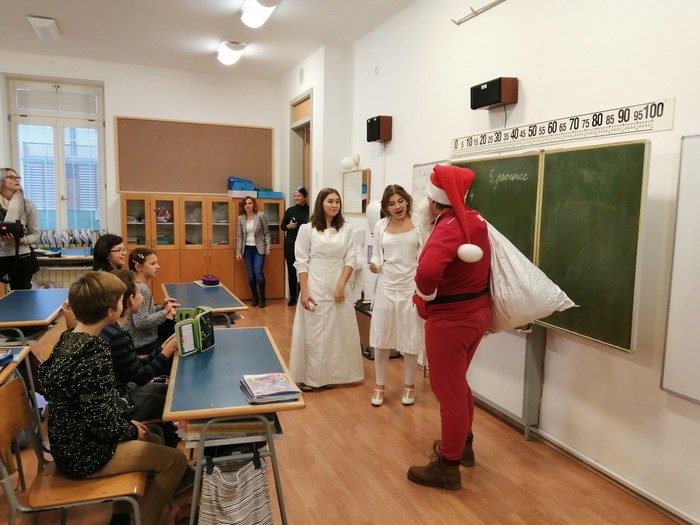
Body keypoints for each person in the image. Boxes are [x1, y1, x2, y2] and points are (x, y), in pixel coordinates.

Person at [38, 271, 188, 525]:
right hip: (85, 455)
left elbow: (97, 409)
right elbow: (100, 422)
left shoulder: (69, 338)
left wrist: (126, 425)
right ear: (111, 310)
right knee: (176, 461)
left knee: (153, 437)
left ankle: (122, 514)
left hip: (69, 444)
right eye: (120, 300)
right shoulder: (94, 355)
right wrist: (128, 430)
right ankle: (143, 520)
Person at [407, 165, 492, 491]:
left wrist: (424, 298)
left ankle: (447, 465)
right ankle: (463, 444)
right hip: (476, 314)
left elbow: (427, 271)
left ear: (432, 202)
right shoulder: (476, 219)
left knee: (448, 392)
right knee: (457, 384)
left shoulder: (447, 227)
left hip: (450, 321)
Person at [288, 187, 364, 391]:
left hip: (338, 284)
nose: (334, 205)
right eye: (330, 201)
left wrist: (341, 285)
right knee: (314, 332)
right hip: (314, 284)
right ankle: (311, 377)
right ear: (321, 203)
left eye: (337, 201)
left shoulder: (346, 229)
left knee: (336, 332)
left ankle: (331, 374)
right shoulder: (308, 229)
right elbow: (301, 262)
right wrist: (304, 291)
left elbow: (350, 259)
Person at [100, 269, 180, 447]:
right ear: (130, 299)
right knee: (176, 402)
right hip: (122, 401)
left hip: (123, 391)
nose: (142, 295)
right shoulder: (118, 336)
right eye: (138, 292)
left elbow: (135, 367)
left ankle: (164, 446)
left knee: (172, 391)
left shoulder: (112, 330)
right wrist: (168, 350)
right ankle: (168, 452)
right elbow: (141, 377)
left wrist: (162, 348)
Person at [368, 184, 426, 407]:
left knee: (411, 336)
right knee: (381, 337)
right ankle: (379, 385)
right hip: (386, 287)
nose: (397, 206)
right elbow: (377, 256)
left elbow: (425, 255)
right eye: (392, 203)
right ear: (386, 207)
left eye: (400, 201)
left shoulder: (419, 223)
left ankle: (409, 385)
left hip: (411, 287)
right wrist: (374, 265)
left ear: (407, 200)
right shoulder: (381, 226)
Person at [126, 247, 179, 355]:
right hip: (143, 344)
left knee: (174, 327)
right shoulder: (142, 289)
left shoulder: (134, 283)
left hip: (138, 340)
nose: (158, 266)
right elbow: (141, 322)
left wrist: (161, 307)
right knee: (179, 337)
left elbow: (142, 312)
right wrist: (164, 312)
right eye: (153, 263)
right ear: (138, 267)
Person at [0, 167, 40, 290]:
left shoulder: (27, 205)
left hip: (21, 256)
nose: (16, 180)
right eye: (11, 177)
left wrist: (21, 240)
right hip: (1, 255)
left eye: (17, 177)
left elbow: (35, 234)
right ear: (1, 181)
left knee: (20, 295)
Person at [235, 196, 271, 307]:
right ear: (243, 206)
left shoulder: (260, 216)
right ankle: (254, 297)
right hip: (247, 249)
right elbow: (239, 236)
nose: (247, 205)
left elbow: (267, 233)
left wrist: (268, 247)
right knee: (251, 275)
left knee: (258, 273)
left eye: (250, 203)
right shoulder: (241, 218)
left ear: (253, 204)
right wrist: (238, 252)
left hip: (259, 248)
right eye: (245, 204)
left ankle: (262, 297)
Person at [280, 187, 309, 306]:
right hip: (290, 244)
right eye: (295, 196)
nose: (296, 198)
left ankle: (302, 296)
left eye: (299, 196)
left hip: (305, 245)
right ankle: (293, 298)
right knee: (292, 271)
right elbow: (282, 226)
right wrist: (289, 226)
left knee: (303, 270)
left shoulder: (310, 210)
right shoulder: (290, 210)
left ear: (305, 197)